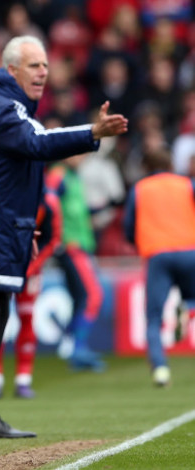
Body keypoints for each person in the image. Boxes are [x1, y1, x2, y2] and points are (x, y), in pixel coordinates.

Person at [0, 35, 128, 439]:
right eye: (34, 65)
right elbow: (38, 144)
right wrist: (91, 132)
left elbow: (6, 176)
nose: (43, 72)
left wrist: (26, 224)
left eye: (45, 65)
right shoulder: (3, 109)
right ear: (11, 71)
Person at [123, 147, 195, 387]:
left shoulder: (140, 189)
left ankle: (160, 370)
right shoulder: (187, 184)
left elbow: (128, 226)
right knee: (192, 298)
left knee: (153, 318)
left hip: (157, 253)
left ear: (146, 167)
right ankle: (188, 311)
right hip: (189, 250)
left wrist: (141, 242)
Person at [0, 188, 63, 399]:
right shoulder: (4, 194)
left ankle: (23, 379)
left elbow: (53, 239)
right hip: (2, 268)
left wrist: (32, 265)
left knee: (27, 317)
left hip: (30, 271)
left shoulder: (48, 201)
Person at [46, 153, 106, 371]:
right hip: (71, 245)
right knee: (92, 296)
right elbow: (47, 205)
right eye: (78, 152)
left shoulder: (72, 177)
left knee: (80, 298)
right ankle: (78, 350)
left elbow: (73, 210)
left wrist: (97, 209)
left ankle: (72, 347)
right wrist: (53, 238)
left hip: (81, 243)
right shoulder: (58, 176)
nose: (82, 157)